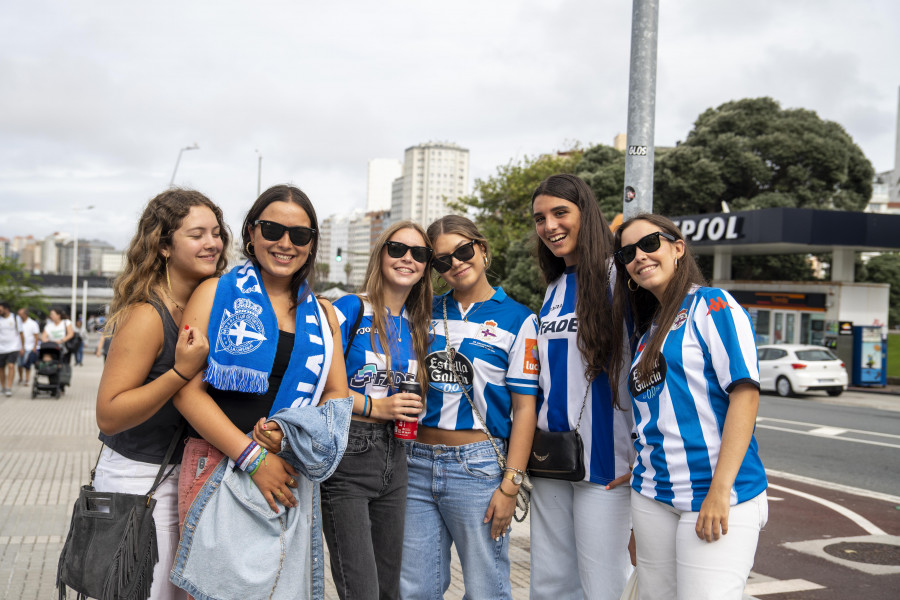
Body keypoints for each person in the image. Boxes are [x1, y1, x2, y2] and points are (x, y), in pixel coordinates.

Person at [171, 184, 351, 599]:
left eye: (300, 235)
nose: (285, 243)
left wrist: (289, 433)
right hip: (218, 468)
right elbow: (185, 391)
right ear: (251, 233)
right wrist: (252, 457)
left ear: (311, 245)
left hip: (289, 473)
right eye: (272, 229)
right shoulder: (215, 293)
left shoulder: (323, 313)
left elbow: (336, 397)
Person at [611, 213, 768, 600]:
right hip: (652, 495)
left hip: (714, 494)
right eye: (628, 253)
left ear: (677, 248)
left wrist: (720, 491)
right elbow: (656, 411)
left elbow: (745, 395)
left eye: (650, 244)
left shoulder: (712, 305)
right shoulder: (649, 331)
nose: (639, 257)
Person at [92, 188, 228, 600]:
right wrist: (179, 372)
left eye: (217, 233)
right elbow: (109, 414)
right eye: (197, 234)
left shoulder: (210, 305)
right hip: (139, 482)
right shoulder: (147, 315)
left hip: (187, 476)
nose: (213, 244)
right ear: (164, 246)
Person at [399, 215, 538, 600]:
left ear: (482, 249)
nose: (456, 263)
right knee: (415, 589)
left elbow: (526, 408)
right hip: (414, 463)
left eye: (463, 251)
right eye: (442, 260)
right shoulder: (421, 311)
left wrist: (511, 485)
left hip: (476, 468)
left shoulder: (520, 319)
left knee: (485, 589)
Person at [529, 174, 635, 600]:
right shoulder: (554, 286)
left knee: (606, 583)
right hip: (552, 457)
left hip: (607, 467)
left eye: (560, 213)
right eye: (540, 218)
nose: (549, 225)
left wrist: (645, 452)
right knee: (551, 582)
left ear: (585, 214)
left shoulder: (621, 277)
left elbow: (652, 366)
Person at [323, 221, 432, 599]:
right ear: (380, 253)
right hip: (349, 455)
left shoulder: (420, 326)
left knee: (389, 591)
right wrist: (377, 406)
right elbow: (320, 387)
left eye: (419, 253)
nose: (407, 259)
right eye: (397, 248)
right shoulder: (351, 308)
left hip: (398, 455)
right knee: (362, 591)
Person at [17, 308, 40, 386]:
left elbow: (36, 336)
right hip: (18, 347)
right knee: (19, 364)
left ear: (25, 314)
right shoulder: (17, 323)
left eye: (20, 314)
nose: (19, 316)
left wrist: (34, 347)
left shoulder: (32, 323)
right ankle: (20, 378)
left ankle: (27, 379)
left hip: (29, 348)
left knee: (27, 364)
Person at [0, 301, 19, 396]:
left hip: (13, 347)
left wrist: (22, 346)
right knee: (1, 368)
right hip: (1, 348)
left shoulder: (15, 318)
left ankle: (9, 387)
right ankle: (3, 387)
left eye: (0, 309)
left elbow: (21, 333)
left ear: (6, 309)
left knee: (11, 366)